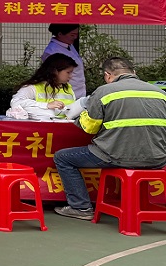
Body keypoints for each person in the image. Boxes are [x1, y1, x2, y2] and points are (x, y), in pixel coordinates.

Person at [53, 57, 166, 220]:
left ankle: (81, 207)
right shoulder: (160, 93)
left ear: (108, 75)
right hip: (158, 158)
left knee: (62, 157)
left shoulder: (104, 91)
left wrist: (79, 115)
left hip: (115, 155)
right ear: (133, 72)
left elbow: (89, 128)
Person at [10, 54, 77, 121]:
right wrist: (46, 105)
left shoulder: (68, 88)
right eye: (68, 72)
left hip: (67, 126)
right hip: (43, 127)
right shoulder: (33, 87)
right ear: (55, 71)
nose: (71, 76)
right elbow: (16, 102)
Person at [41, 23, 86, 97]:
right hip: (64, 94)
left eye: (76, 34)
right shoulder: (52, 51)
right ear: (60, 34)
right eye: (72, 35)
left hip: (77, 91)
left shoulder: (68, 45)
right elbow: (52, 77)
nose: (75, 37)